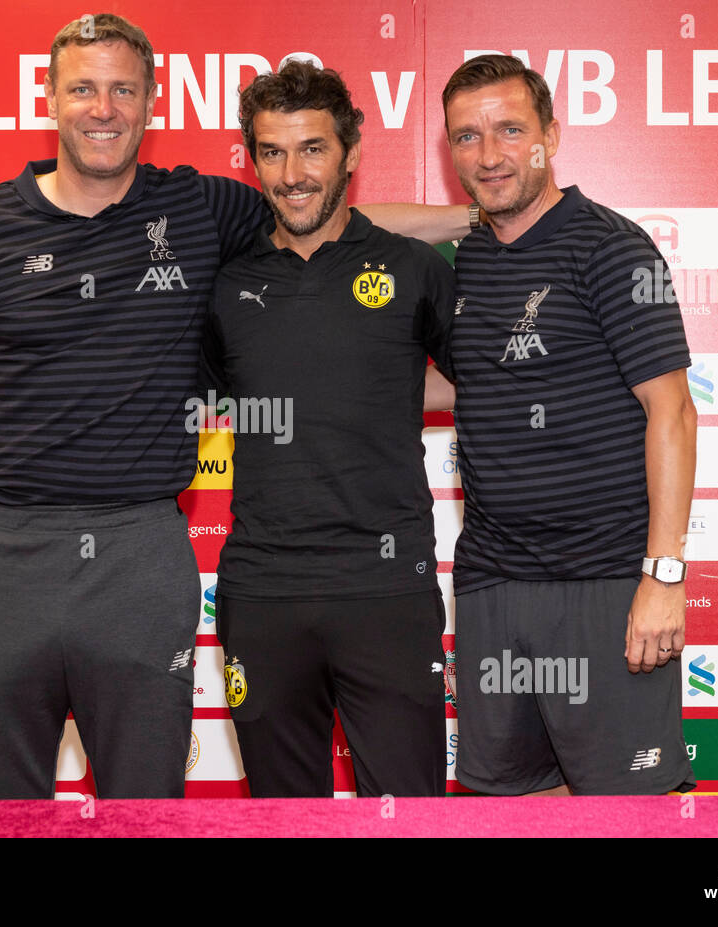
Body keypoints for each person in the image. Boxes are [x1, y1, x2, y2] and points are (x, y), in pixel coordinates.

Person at [0, 13, 478, 799]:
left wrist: (483, 215)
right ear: (49, 97)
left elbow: (334, 220)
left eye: (121, 90)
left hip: (141, 550)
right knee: (0, 812)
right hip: (2, 553)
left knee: (148, 808)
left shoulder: (201, 209)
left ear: (150, 103)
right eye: (82, 88)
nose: (102, 108)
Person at [431, 54, 698, 795]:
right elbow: (345, 226)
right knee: (512, 806)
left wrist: (663, 575)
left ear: (552, 132)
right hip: (494, 584)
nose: (488, 155)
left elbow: (671, 410)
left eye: (510, 130)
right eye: (466, 137)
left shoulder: (610, 246)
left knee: (636, 809)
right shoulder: (468, 262)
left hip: (608, 583)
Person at [202, 61, 461, 798]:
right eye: (273, 152)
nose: (292, 174)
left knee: (409, 814)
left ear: (350, 151)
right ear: (252, 159)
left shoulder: (414, 268)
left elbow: (483, 382)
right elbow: (203, 394)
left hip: (388, 588)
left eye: (313, 148)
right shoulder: (222, 281)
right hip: (262, 594)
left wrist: (385, 389)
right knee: (284, 819)